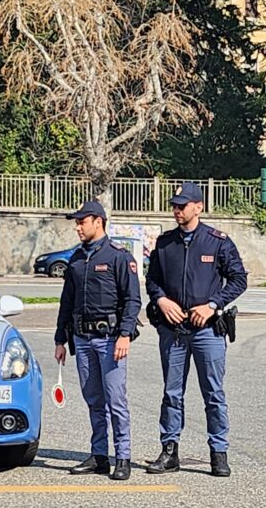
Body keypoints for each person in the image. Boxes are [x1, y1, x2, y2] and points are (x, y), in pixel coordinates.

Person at [145, 182, 248, 477]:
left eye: (183, 205)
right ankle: (169, 451)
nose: (177, 211)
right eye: (174, 206)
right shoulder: (165, 244)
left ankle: (218, 452)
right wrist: (162, 300)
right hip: (174, 329)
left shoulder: (218, 242)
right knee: (172, 393)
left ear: (198, 207)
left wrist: (213, 304)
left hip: (207, 330)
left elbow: (239, 279)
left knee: (213, 392)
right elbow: (152, 280)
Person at [54, 200, 141, 481]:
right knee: (94, 400)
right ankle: (99, 455)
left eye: (82, 222)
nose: (78, 227)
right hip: (82, 339)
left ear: (98, 222)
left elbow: (132, 300)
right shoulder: (77, 259)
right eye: (76, 223)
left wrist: (125, 334)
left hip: (110, 340)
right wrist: (60, 339)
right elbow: (66, 302)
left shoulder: (118, 256)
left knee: (116, 400)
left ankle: (123, 457)